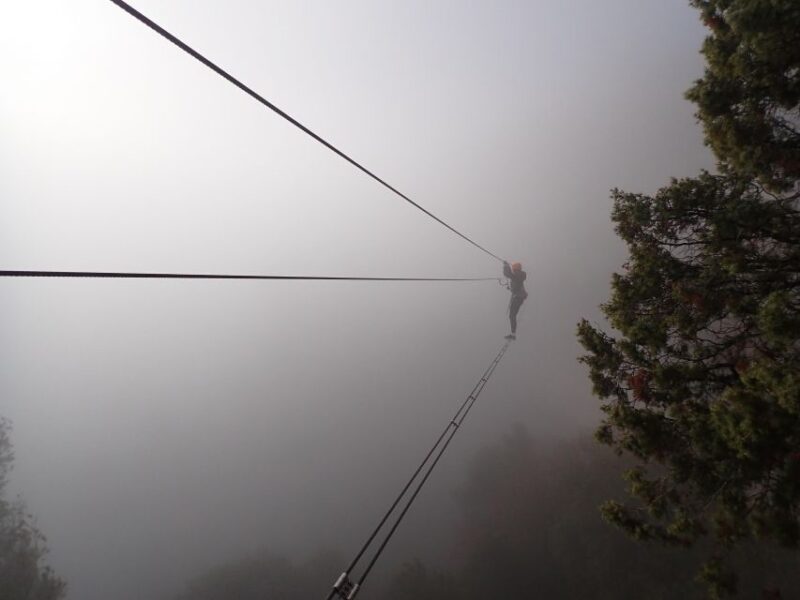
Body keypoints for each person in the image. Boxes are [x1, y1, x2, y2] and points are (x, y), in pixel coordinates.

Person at [503, 260, 527, 340]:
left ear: (515, 269)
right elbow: (515, 285)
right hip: (519, 297)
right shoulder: (519, 275)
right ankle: (513, 333)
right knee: (512, 315)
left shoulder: (517, 275)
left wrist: (506, 265)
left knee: (512, 315)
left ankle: (513, 334)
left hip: (517, 298)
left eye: (513, 268)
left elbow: (508, 274)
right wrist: (511, 288)